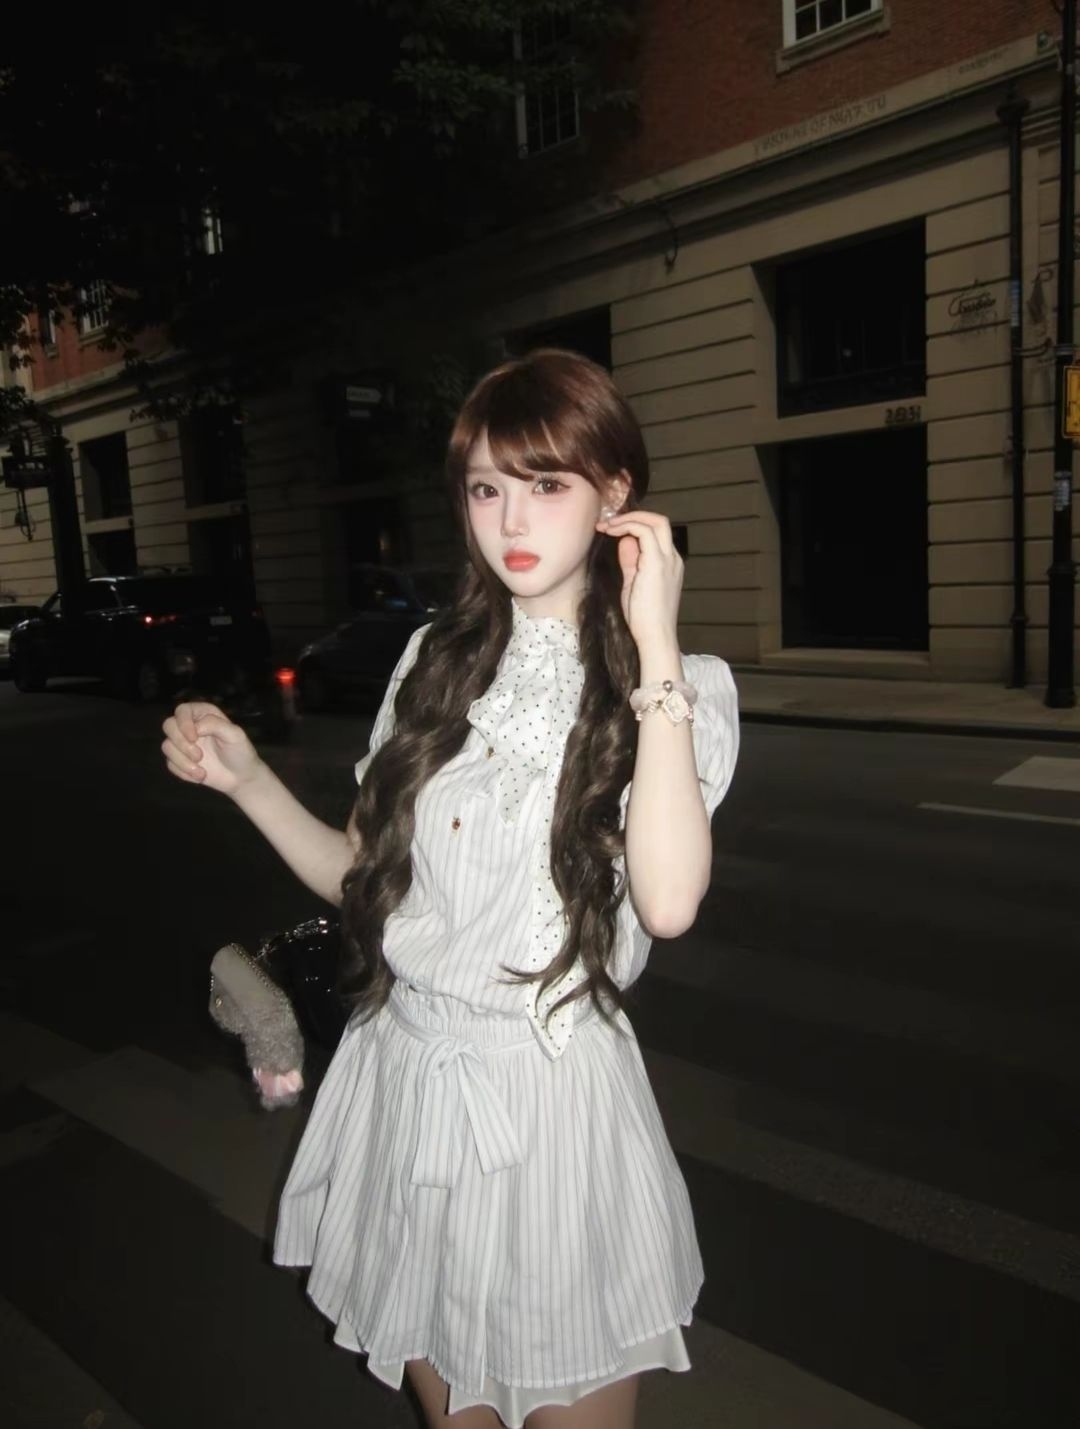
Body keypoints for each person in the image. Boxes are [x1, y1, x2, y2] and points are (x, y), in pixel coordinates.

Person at [161, 349, 739, 1429]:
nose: (509, 518)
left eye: (546, 483)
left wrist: (655, 640)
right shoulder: (434, 659)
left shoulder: (679, 687)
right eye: (485, 487)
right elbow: (363, 880)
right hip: (403, 1083)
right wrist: (247, 781)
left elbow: (667, 903)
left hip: (548, 1110)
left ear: (616, 494)